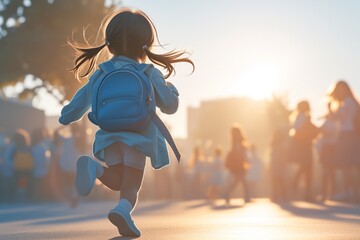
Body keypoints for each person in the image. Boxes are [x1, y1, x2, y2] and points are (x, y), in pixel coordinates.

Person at [59, 8, 194, 237]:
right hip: (138, 136)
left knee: (118, 179)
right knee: (131, 184)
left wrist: (66, 115)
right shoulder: (148, 72)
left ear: (109, 45)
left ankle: (95, 169)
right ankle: (123, 210)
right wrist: (173, 91)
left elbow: (76, 106)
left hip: (109, 135)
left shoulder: (101, 73)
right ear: (146, 45)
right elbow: (169, 106)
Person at [327, 80, 360, 201]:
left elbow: (340, 117)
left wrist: (330, 110)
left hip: (348, 135)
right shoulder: (351, 102)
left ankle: (348, 191)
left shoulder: (348, 102)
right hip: (351, 135)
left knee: (348, 164)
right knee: (352, 165)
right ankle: (353, 191)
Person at [288, 100, 318, 201]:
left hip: (304, 145)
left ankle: (303, 189)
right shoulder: (303, 117)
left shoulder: (301, 117)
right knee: (307, 167)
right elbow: (297, 130)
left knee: (306, 167)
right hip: (304, 145)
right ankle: (304, 191)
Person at [223, 123, 250, 205]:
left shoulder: (234, 142)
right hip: (239, 166)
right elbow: (240, 154)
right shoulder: (238, 142)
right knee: (241, 181)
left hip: (237, 166)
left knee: (239, 181)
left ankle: (227, 194)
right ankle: (246, 197)